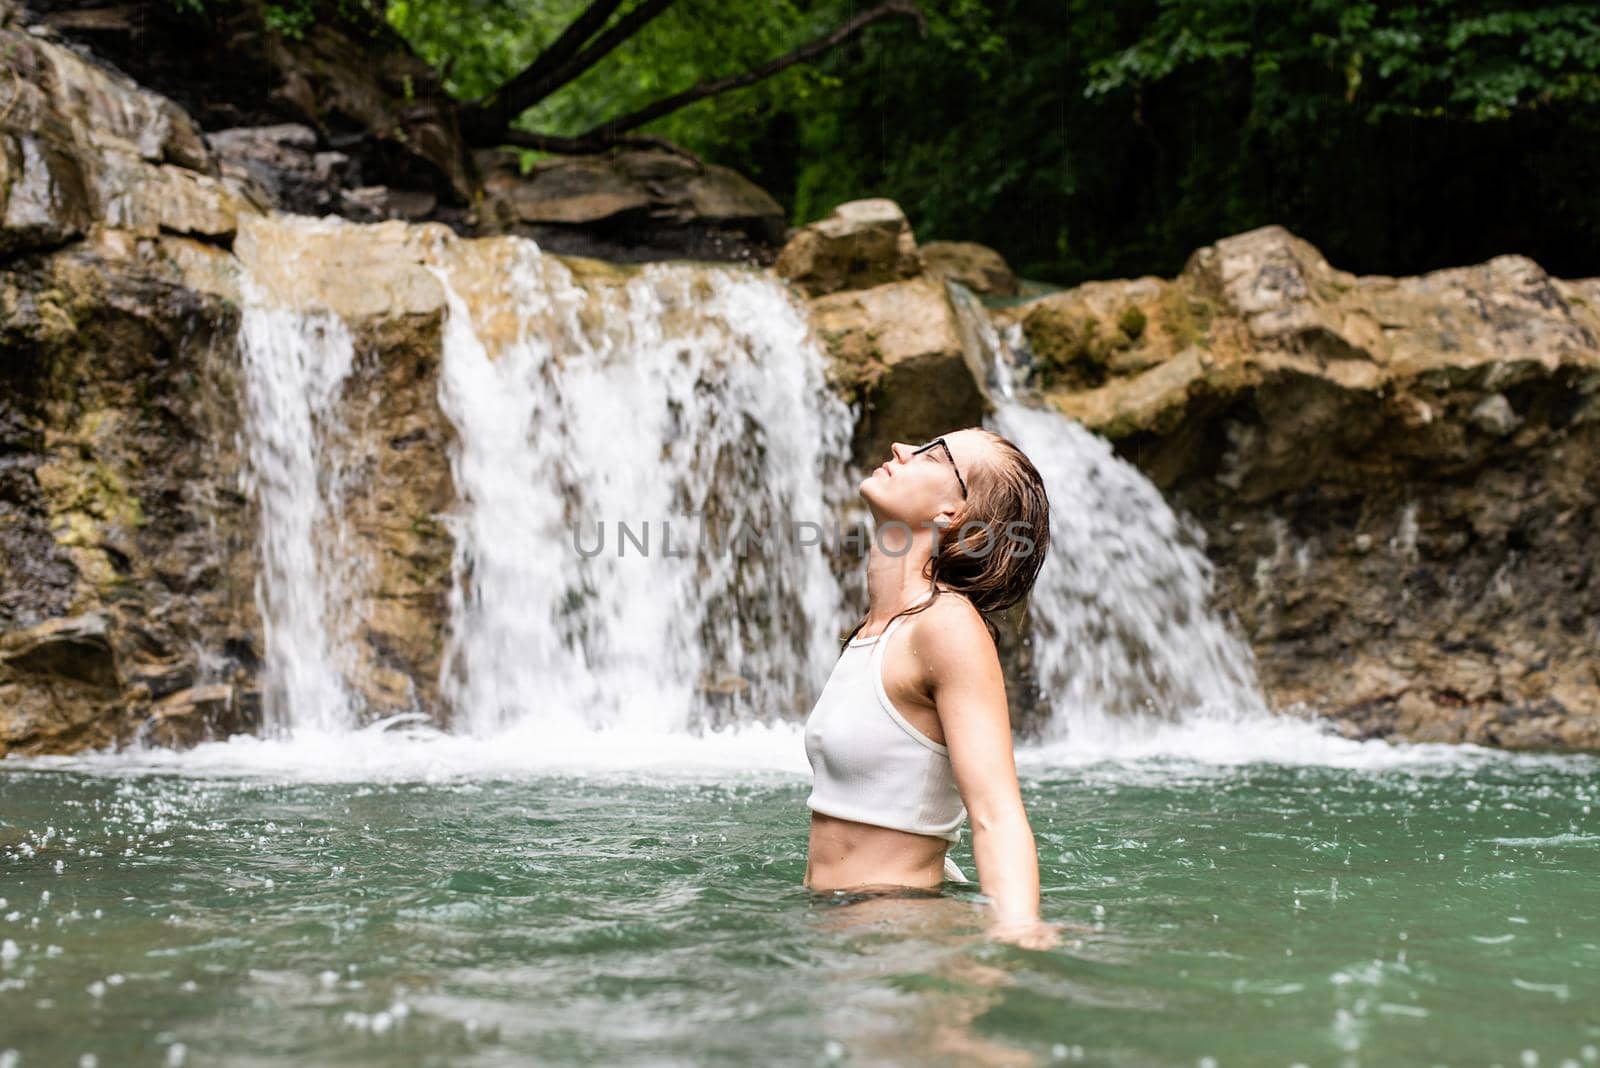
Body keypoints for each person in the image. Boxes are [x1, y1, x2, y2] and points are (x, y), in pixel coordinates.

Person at [803, 427, 1057, 947]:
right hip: (846, 937)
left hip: (904, 947)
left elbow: (997, 814)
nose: (900, 447)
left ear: (952, 514)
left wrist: (1019, 933)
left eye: (933, 455)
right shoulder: (878, 630)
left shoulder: (946, 626)